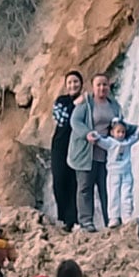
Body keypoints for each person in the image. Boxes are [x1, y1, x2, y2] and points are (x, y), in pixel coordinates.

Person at [67, 73, 124, 232]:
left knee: (107, 188)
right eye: (98, 85)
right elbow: (75, 121)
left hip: (106, 155)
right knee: (85, 187)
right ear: (93, 87)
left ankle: (110, 220)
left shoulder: (114, 105)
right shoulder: (86, 103)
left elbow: (120, 124)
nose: (102, 88)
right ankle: (86, 222)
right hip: (86, 153)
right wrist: (86, 133)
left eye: (104, 85)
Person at [92, 118, 139, 227]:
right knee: (113, 195)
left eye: (123, 132)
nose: (121, 134)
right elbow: (99, 140)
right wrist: (94, 136)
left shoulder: (127, 142)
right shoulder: (109, 142)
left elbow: (137, 137)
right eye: (118, 132)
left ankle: (126, 216)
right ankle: (114, 217)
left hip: (126, 173)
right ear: (112, 132)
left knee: (127, 194)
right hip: (113, 174)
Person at [50, 71, 84, 229]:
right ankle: (62, 216)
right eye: (70, 82)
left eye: (76, 82)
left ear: (81, 84)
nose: (73, 85)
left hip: (78, 146)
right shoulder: (61, 101)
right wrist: (75, 104)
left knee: (74, 182)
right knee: (59, 180)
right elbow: (61, 119)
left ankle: (72, 220)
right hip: (60, 146)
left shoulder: (86, 101)